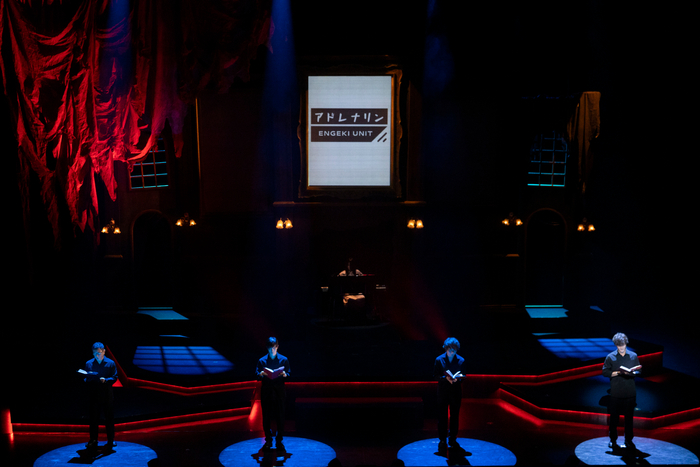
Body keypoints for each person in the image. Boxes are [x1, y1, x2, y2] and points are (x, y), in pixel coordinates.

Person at [602, 332, 641, 450]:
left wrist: (634, 372)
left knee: (629, 419)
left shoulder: (633, 356)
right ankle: (613, 440)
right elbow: (605, 372)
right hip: (616, 393)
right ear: (616, 345)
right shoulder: (610, 357)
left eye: (623, 345)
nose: (621, 347)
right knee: (614, 419)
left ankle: (628, 440)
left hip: (630, 393)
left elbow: (639, 370)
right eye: (619, 345)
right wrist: (618, 372)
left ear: (626, 343)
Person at [256, 337, 290, 450]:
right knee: (266, 417)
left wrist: (285, 374)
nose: (272, 350)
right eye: (270, 348)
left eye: (274, 348)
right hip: (267, 392)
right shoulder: (261, 361)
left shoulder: (284, 359)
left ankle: (279, 440)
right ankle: (268, 440)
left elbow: (289, 373)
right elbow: (257, 374)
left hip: (279, 392)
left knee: (280, 416)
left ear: (277, 347)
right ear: (267, 348)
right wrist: (261, 374)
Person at [84, 342, 118, 449]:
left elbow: (115, 377)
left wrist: (106, 380)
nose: (97, 355)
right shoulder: (89, 363)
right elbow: (86, 378)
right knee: (93, 419)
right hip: (94, 395)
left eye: (99, 353)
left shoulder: (110, 363)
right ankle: (93, 440)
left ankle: (111, 440)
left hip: (107, 395)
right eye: (95, 353)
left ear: (104, 351)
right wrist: (87, 378)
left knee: (109, 419)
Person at [434, 337, 465, 451]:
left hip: (455, 392)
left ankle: (452, 438)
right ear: (446, 348)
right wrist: (445, 378)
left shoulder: (461, 360)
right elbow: (435, 375)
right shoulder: (439, 360)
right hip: (443, 392)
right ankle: (442, 440)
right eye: (450, 349)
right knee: (442, 417)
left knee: (454, 416)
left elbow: (464, 375)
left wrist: (458, 379)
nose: (452, 351)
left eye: (454, 349)